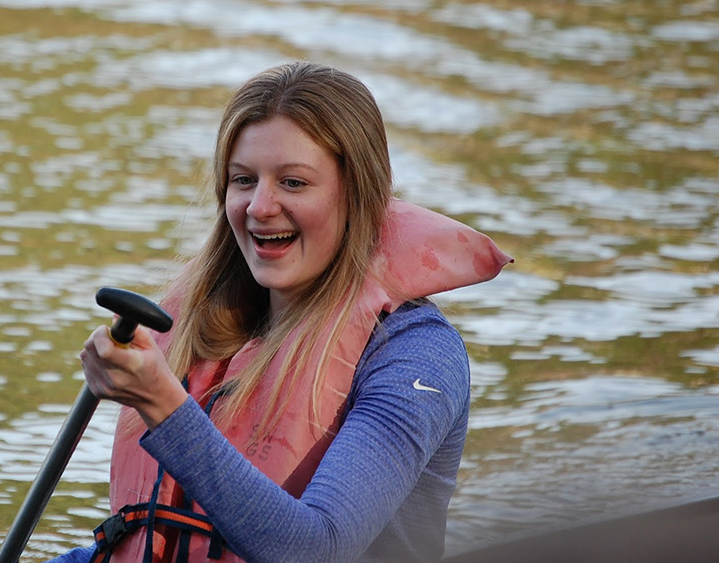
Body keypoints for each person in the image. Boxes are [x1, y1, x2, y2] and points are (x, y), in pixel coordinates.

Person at [50, 61, 511, 563]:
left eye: (293, 183)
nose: (260, 206)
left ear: (358, 194)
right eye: (243, 180)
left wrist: (163, 404)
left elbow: (318, 548)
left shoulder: (417, 354)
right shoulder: (198, 329)